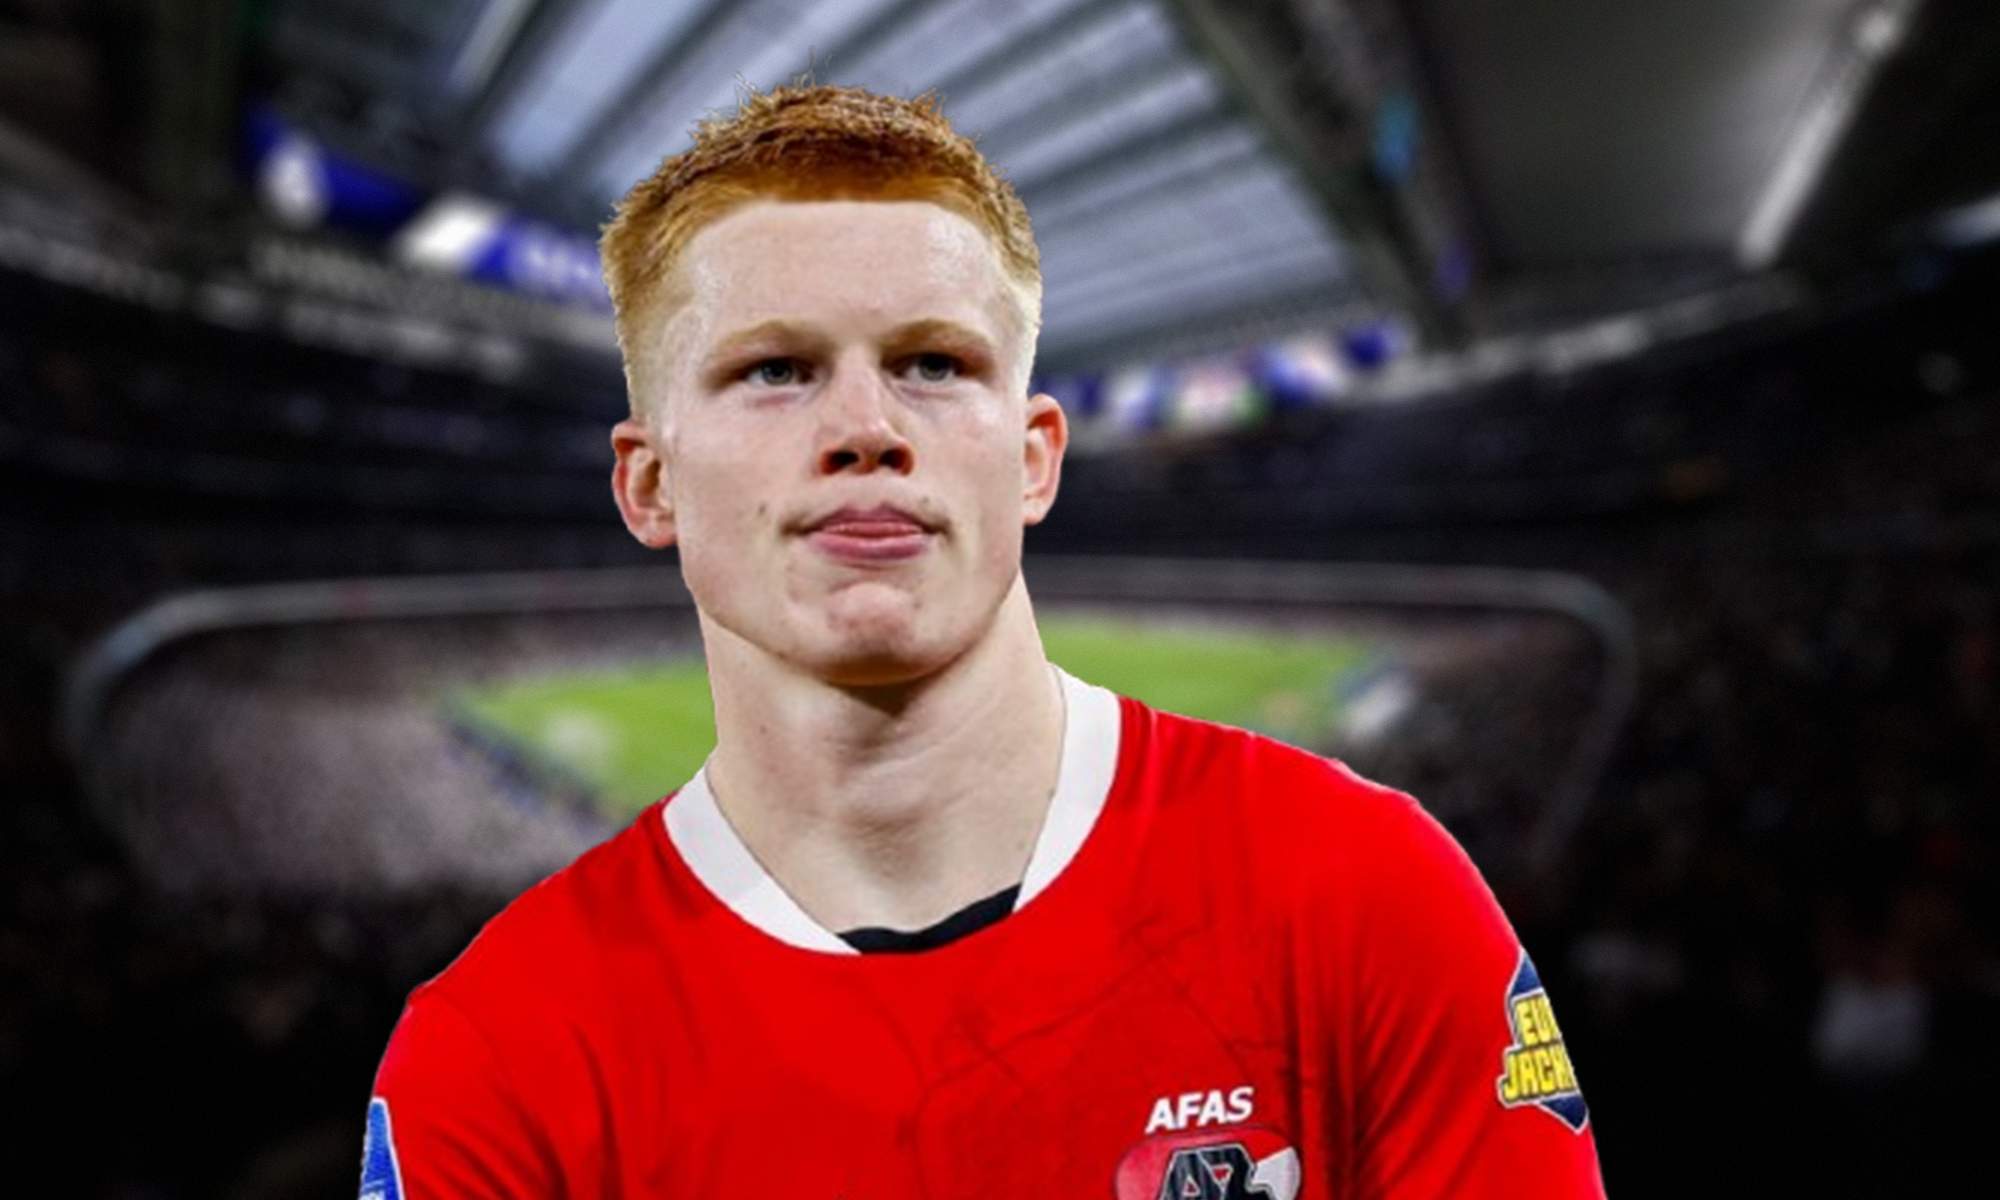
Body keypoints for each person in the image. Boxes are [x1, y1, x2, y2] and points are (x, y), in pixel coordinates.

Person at [363, 84, 1607, 1199]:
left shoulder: (1363, 894)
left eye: (933, 364)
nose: (865, 427)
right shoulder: (497, 1059)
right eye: (775, 370)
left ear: (1031, 459)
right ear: (648, 485)